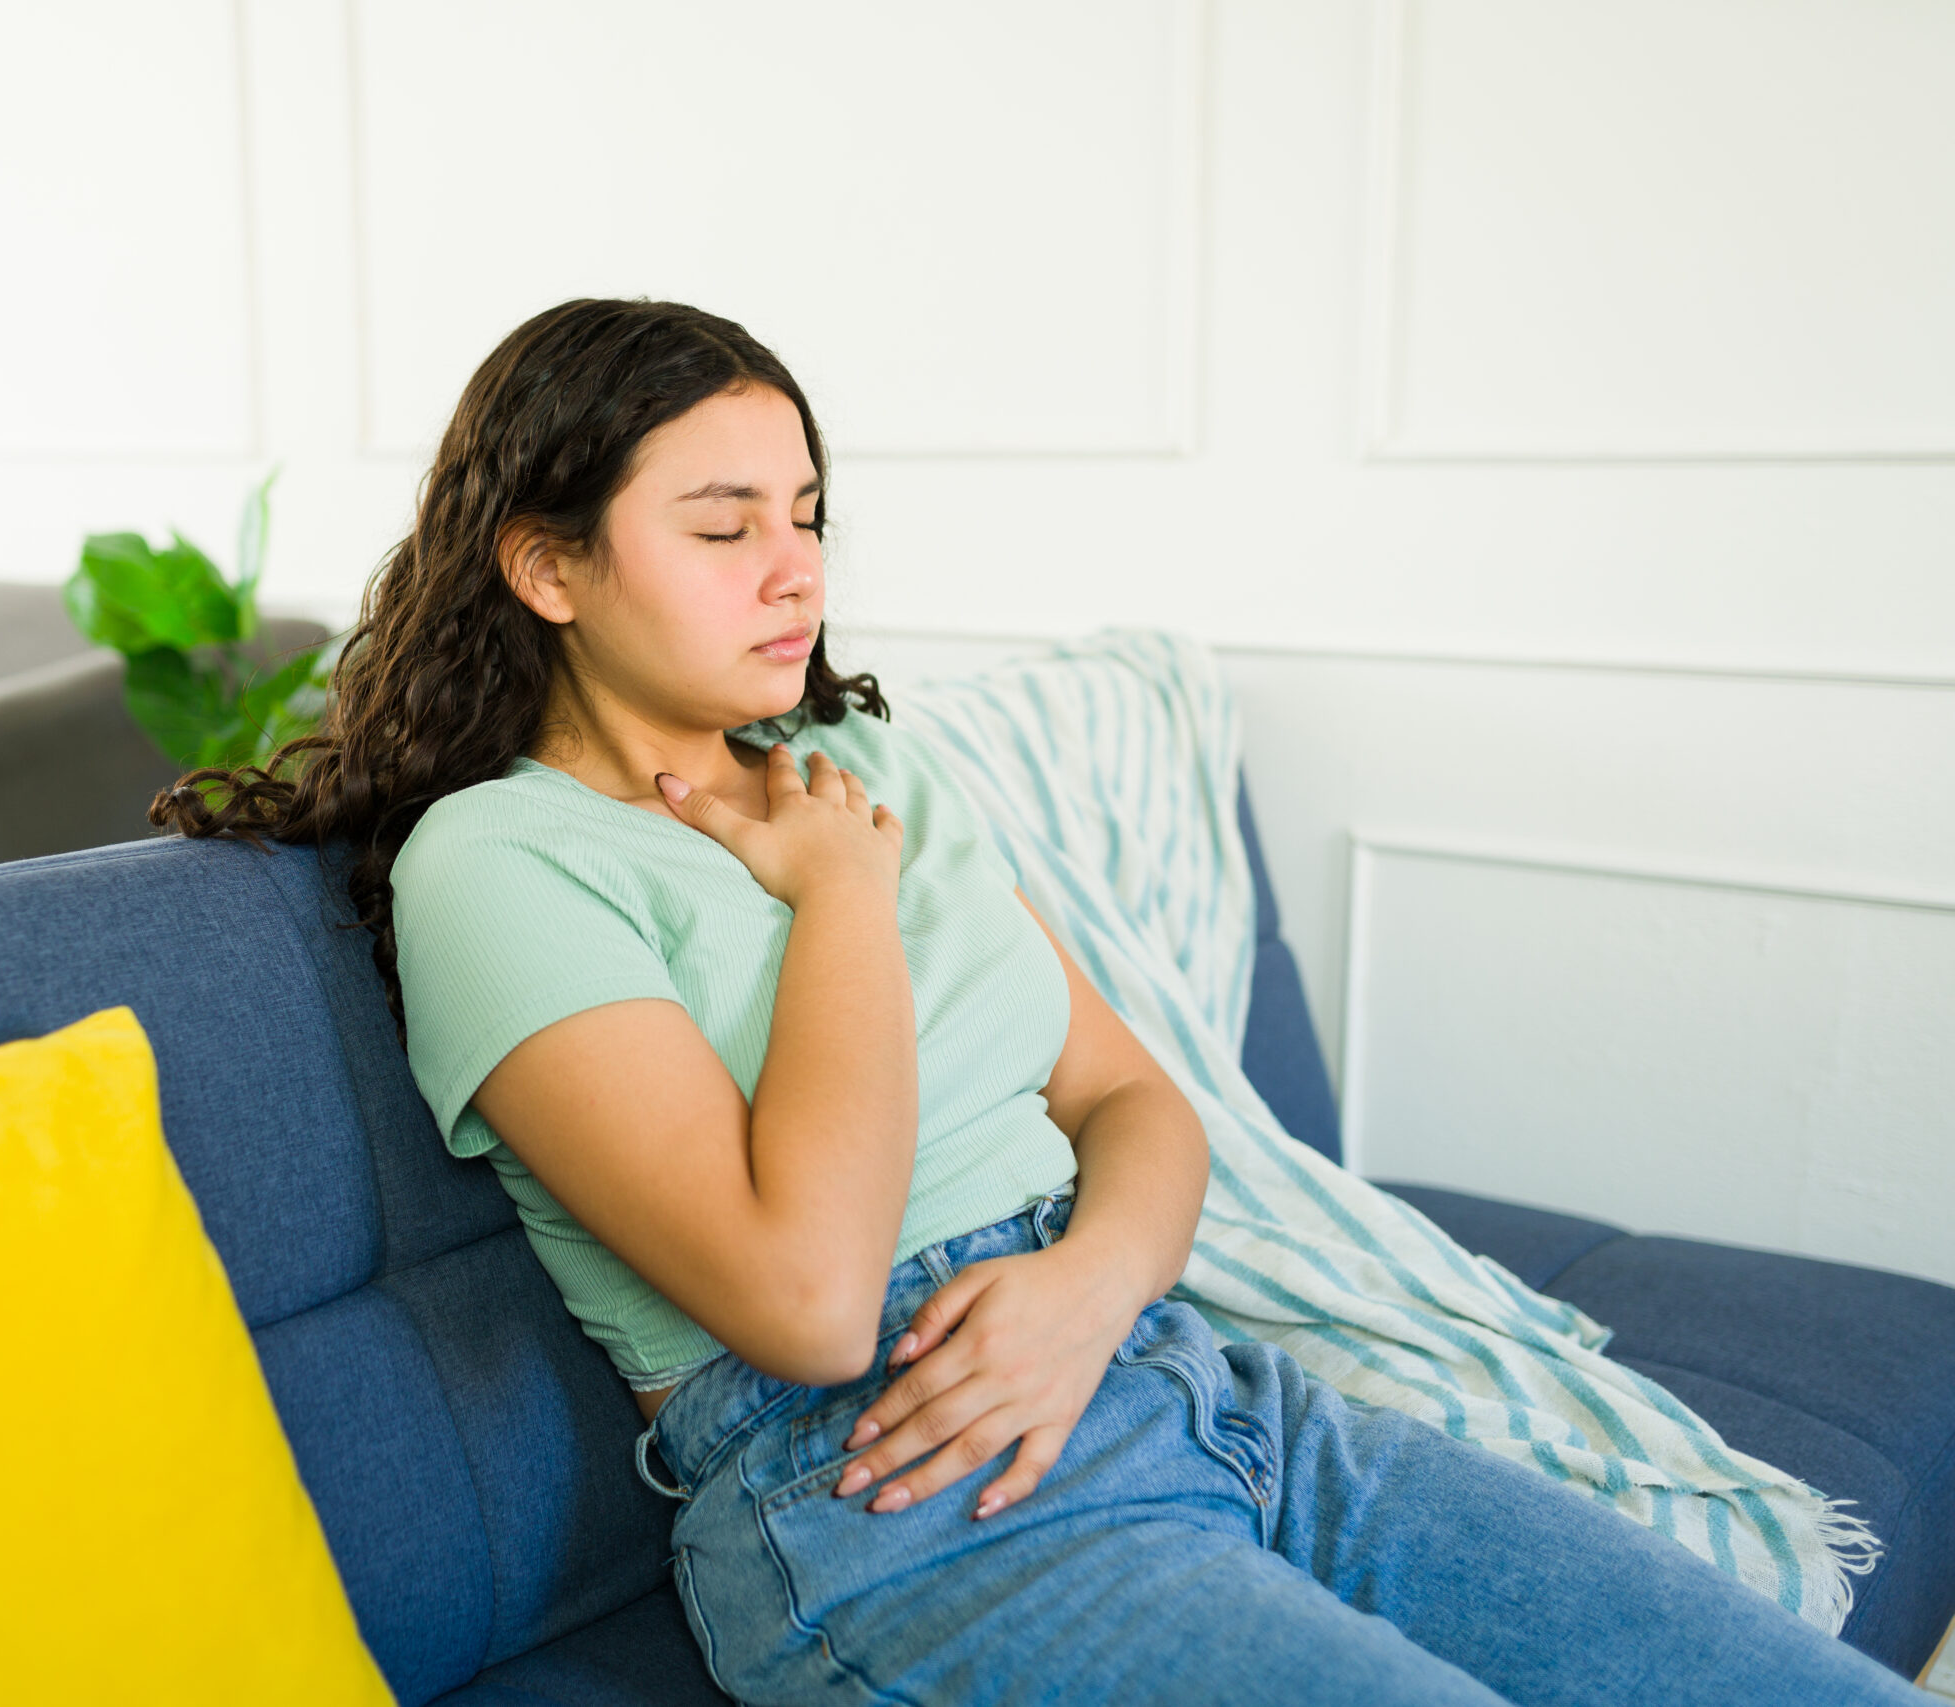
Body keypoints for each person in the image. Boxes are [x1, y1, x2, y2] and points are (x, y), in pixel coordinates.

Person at [154, 298, 1920, 1705]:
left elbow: (1140, 1108)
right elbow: (812, 1300)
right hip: (901, 1497)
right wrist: (840, 899)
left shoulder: (859, 762)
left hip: (1182, 1374)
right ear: (546, 568)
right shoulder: (505, 862)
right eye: (721, 525)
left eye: (809, 517)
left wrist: (1087, 1288)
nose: (797, 570)